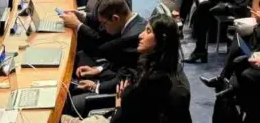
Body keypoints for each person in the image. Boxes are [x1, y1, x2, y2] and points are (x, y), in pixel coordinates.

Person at [64, 12, 192, 123]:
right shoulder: (151, 62)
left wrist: (119, 105)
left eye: (148, 31)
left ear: (162, 40)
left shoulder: (172, 89)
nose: (141, 35)